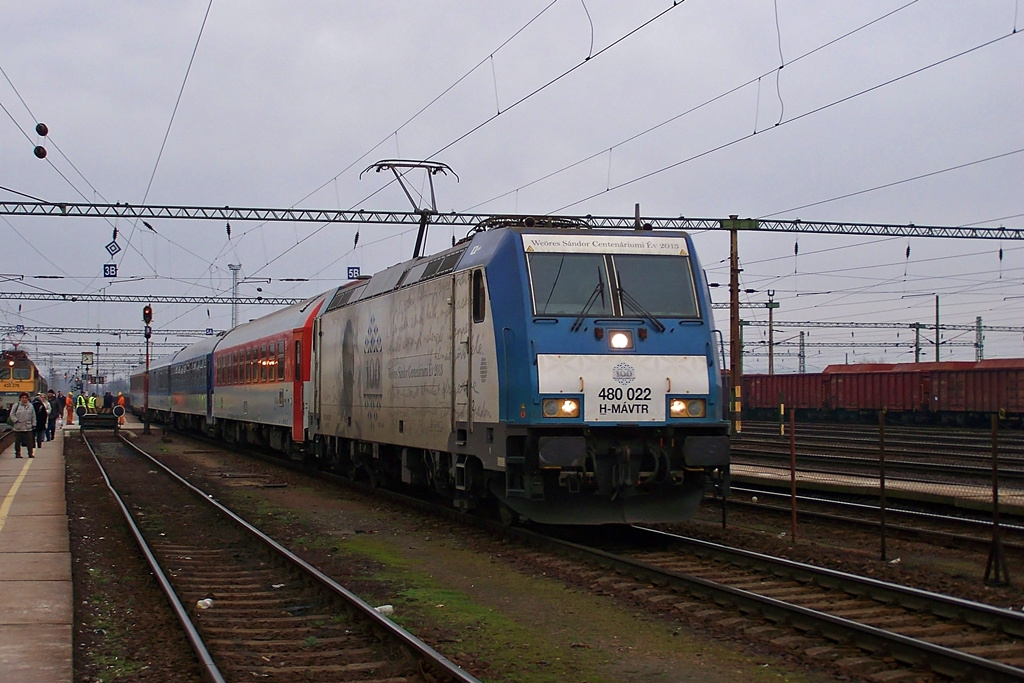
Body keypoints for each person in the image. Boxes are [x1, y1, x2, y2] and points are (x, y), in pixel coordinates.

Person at [8, 393, 35, 458]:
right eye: (23, 398)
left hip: (28, 426)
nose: (24, 399)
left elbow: (33, 416)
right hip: (19, 426)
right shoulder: (16, 405)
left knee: (30, 441)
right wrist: (16, 420)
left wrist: (34, 424)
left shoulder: (30, 406)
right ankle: (17, 453)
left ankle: (30, 453)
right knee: (18, 441)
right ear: (20, 399)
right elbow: (12, 414)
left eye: (25, 398)